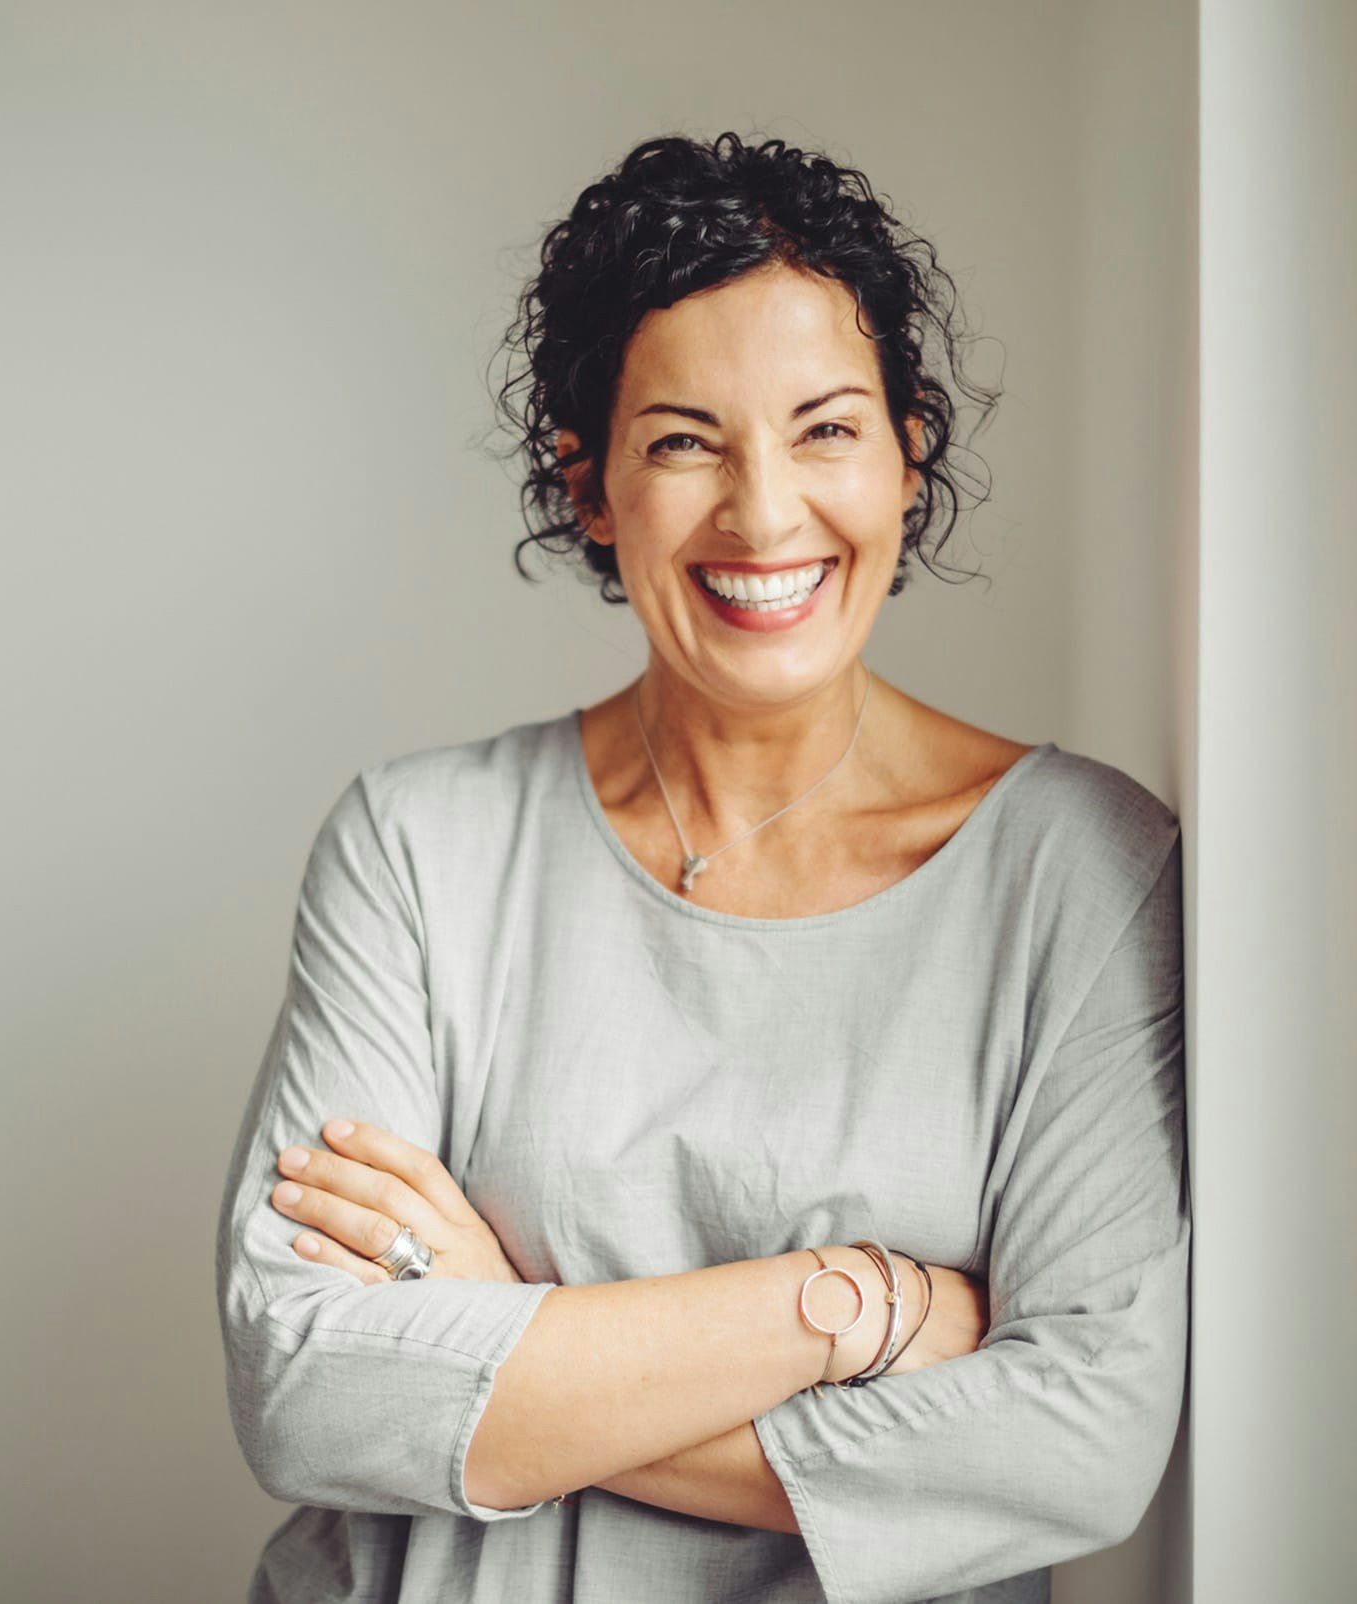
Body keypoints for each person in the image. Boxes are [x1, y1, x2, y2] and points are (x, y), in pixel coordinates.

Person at [215, 130, 1190, 1604]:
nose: (765, 514)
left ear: (908, 451)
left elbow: (1075, 1449)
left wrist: (507, 1329)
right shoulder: (419, 849)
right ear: (589, 484)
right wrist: (855, 1308)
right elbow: (306, 1384)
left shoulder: (1081, 871)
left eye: (826, 429)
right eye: (684, 440)